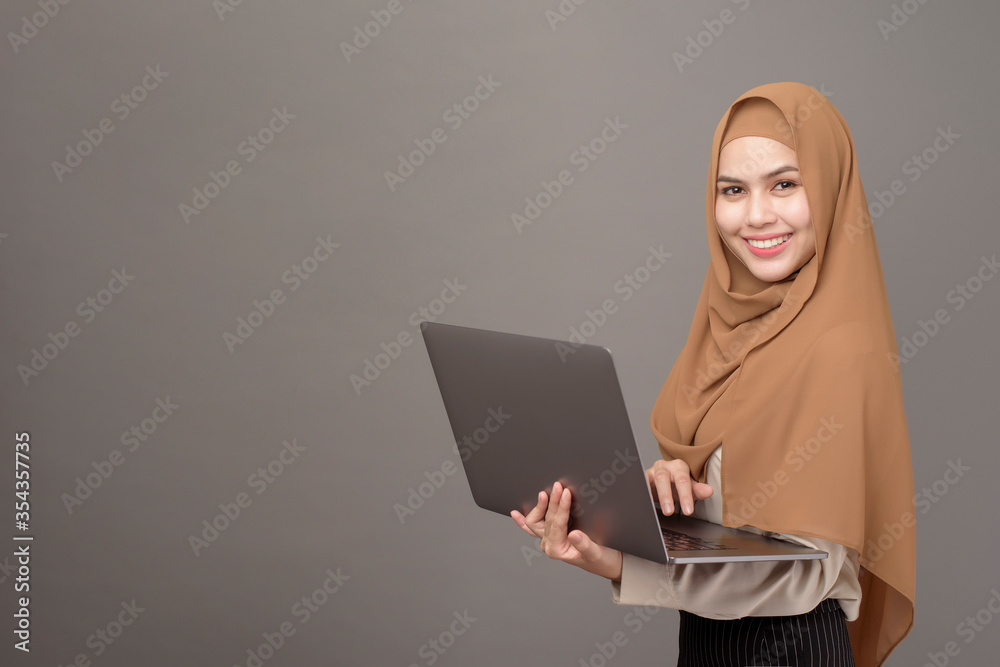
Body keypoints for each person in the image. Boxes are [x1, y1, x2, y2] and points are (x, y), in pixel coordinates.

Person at [511, 82, 915, 666]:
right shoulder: (727, 331)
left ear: (828, 188)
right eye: (733, 189)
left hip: (792, 650)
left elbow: (797, 575)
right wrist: (662, 495)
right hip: (707, 640)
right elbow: (737, 512)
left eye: (785, 183)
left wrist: (619, 562)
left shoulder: (840, 348)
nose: (755, 215)